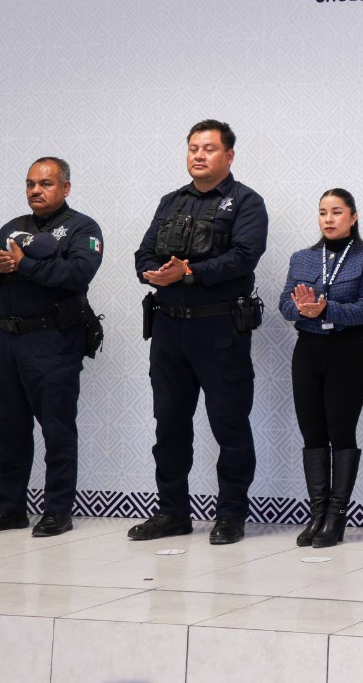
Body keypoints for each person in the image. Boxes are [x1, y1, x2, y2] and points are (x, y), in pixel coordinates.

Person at [130, 120, 268, 546]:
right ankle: (172, 513)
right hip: (169, 329)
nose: (199, 155)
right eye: (193, 148)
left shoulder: (246, 202)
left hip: (220, 329)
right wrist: (154, 273)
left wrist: (188, 272)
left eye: (208, 148)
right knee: (169, 426)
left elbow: (243, 258)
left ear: (229, 155)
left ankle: (231, 516)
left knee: (230, 425)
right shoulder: (171, 201)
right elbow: (143, 254)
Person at [0, 157, 104, 538]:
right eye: (30, 184)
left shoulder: (83, 228)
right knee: (6, 428)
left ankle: (57, 511)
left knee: (57, 429)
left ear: (65, 187)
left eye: (45, 184)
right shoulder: (13, 227)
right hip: (7, 341)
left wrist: (23, 265)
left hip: (53, 341)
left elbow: (77, 273)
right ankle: (9, 509)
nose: (35, 191)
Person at [278, 188, 363, 549]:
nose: (328, 219)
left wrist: (325, 309)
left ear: (353, 217)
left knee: (341, 432)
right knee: (312, 433)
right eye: (323, 212)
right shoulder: (303, 258)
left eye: (337, 212)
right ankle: (317, 514)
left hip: (348, 354)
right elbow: (284, 305)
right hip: (308, 351)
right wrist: (302, 309)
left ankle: (336, 517)